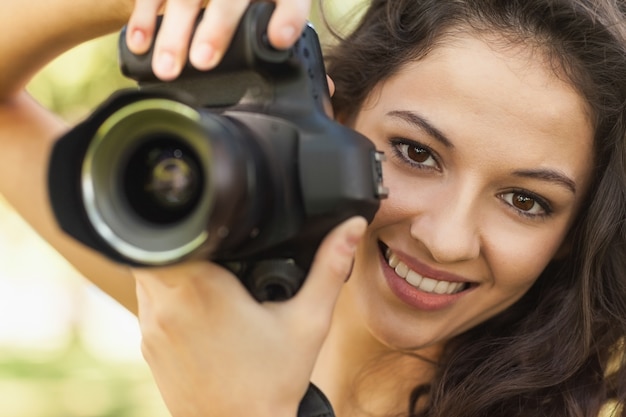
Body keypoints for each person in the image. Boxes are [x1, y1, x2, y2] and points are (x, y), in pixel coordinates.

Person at [1, 0, 625, 416]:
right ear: (336, 119)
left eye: (526, 201)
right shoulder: (220, 298)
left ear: (574, 233)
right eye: (415, 152)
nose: (448, 240)